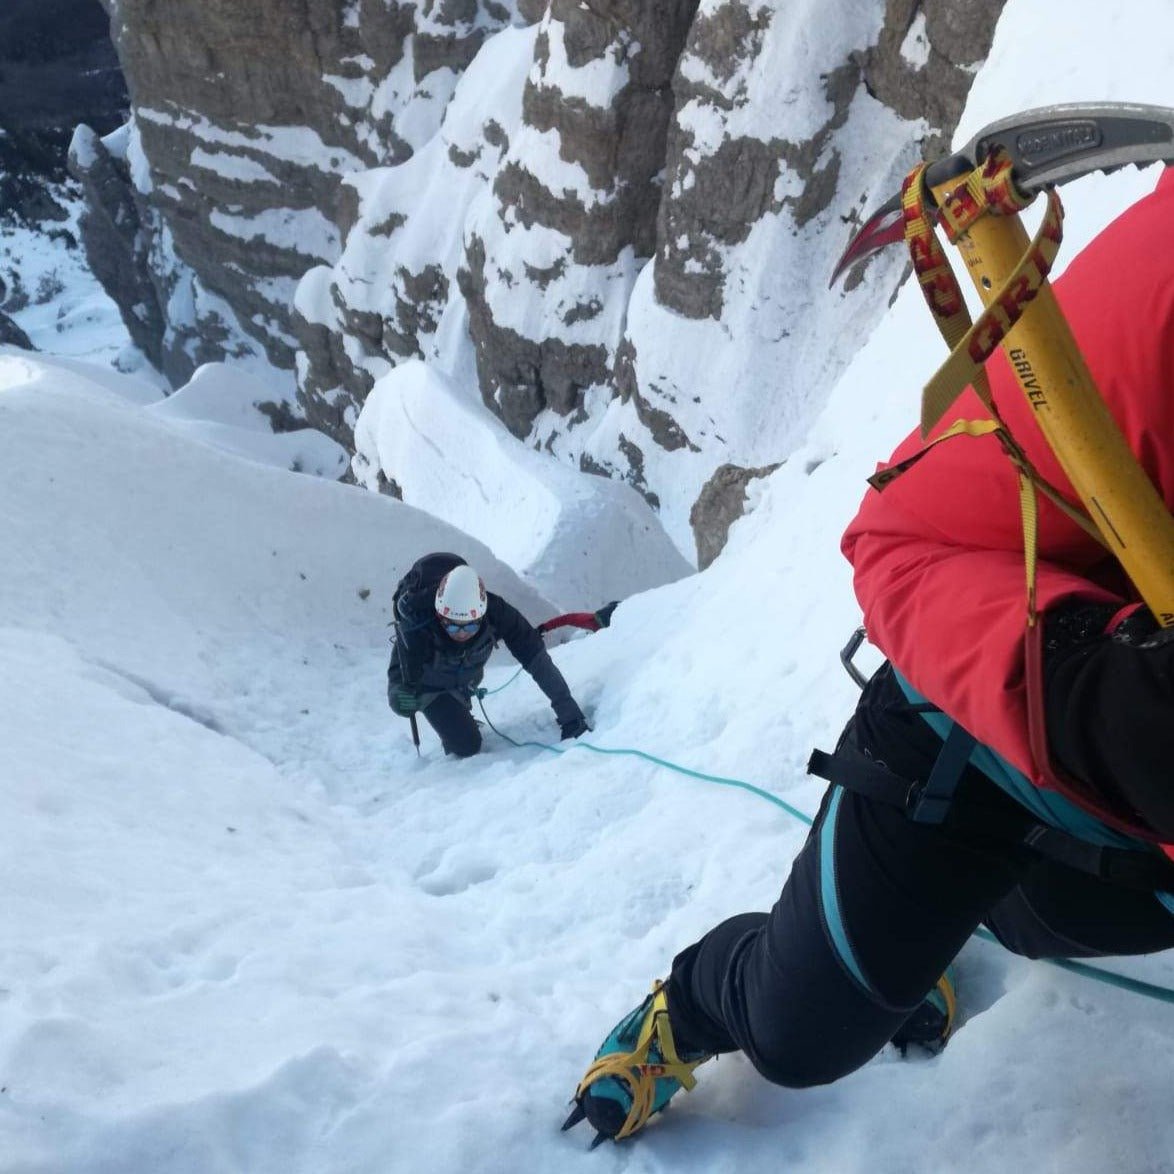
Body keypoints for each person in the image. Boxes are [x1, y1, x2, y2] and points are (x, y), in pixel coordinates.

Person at [566, 168, 1174, 1146]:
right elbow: (896, 540)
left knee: (1058, 918)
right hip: (971, 734)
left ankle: (942, 919)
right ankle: (689, 1006)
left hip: (1134, 825)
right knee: (799, 1033)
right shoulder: (1159, 307)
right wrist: (1085, 686)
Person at [388, 552, 589, 757]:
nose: (462, 634)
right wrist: (399, 698)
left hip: (467, 674)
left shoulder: (498, 613)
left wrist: (569, 712)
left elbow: (538, 661)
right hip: (432, 687)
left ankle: (458, 705)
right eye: (453, 626)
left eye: (470, 626)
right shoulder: (417, 625)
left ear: (482, 612)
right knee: (467, 747)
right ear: (440, 614)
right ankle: (451, 713)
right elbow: (398, 675)